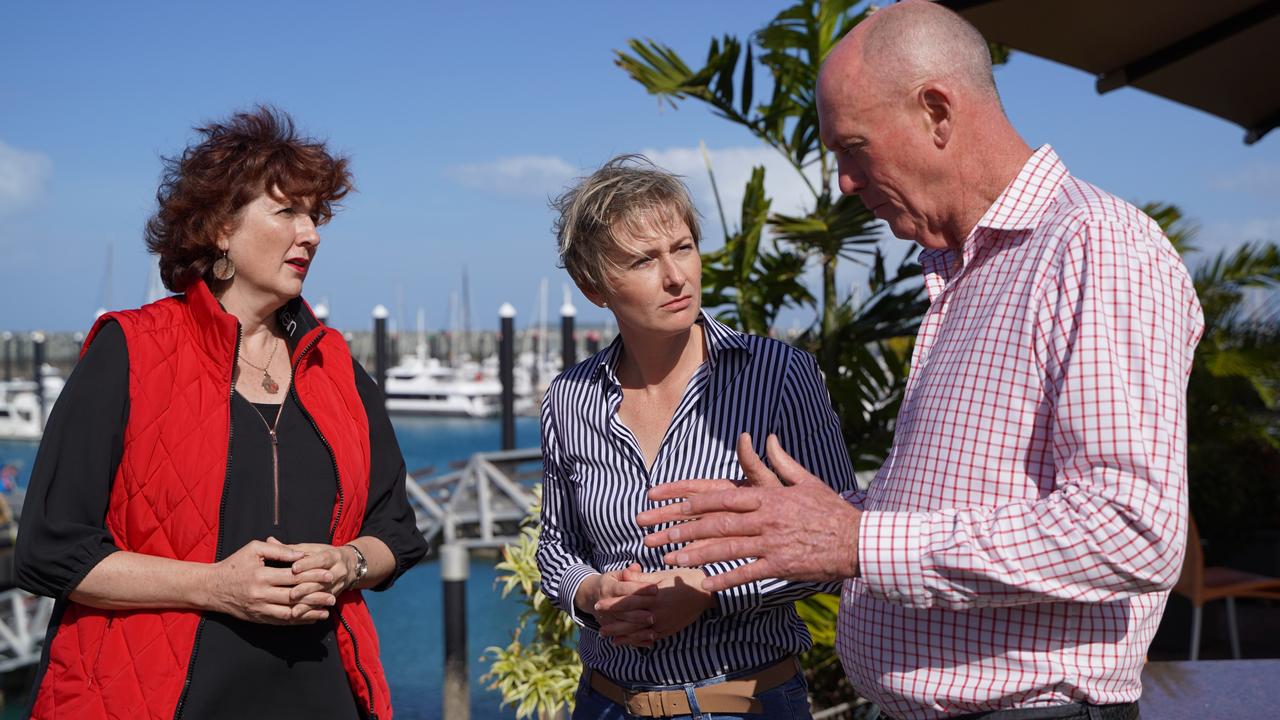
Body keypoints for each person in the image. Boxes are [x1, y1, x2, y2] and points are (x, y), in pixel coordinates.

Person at [637, 2, 1205, 719]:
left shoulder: (1095, 247)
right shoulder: (967, 269)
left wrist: (857, 539)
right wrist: (808, 523)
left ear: (937, 111)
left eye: (852, 147)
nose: (843, 181)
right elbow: (973, 506)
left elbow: (1131, 530)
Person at [15, 106, 427, 719]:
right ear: (219, 227)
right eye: (287, 210)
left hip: (324, 695)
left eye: (316, 215)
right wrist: (214, 587)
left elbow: (396, 531)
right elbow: (50, 551)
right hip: (155, 698)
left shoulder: (335, 364)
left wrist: (347, 563)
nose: (310, 232)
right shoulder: (129, 349)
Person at [537, 155, 855, 719]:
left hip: (745, 702)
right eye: (643, 260)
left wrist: (710, 588)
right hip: (607, 703)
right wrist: (593, 595)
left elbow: (838, 544)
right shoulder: (569, 397)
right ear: (594, 288)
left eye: (682, 248)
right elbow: (557, 548)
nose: (676, 276)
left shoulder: (781, 375)